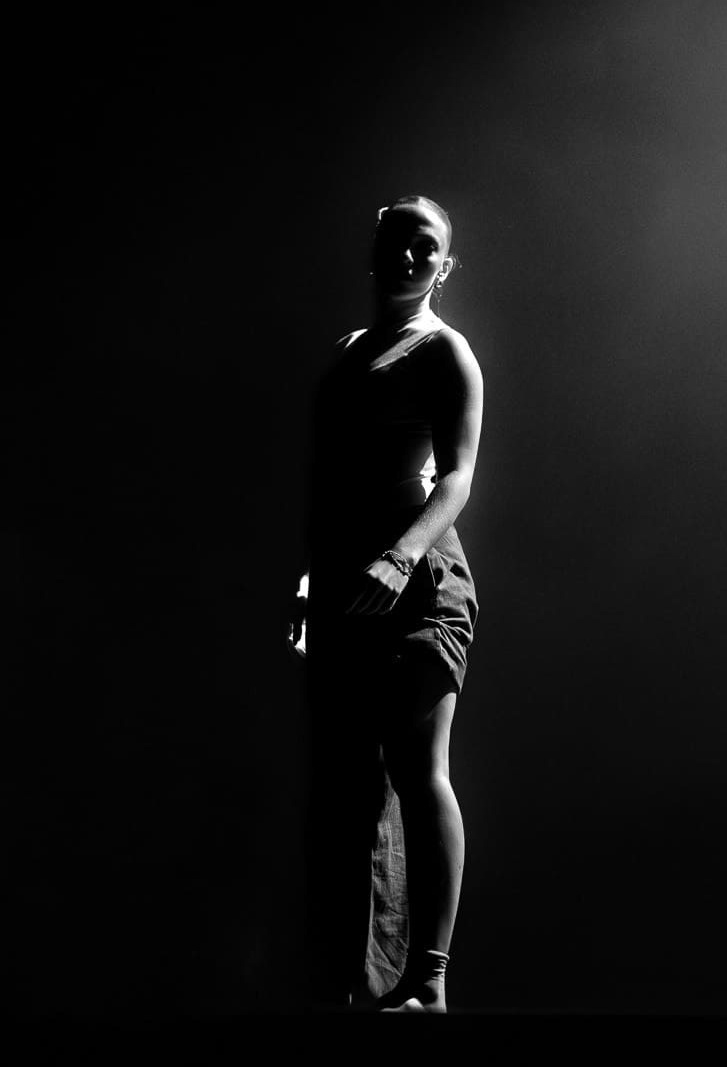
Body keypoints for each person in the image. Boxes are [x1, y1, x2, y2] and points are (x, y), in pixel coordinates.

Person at [291, 195, 483, 1013]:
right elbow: (329, 481)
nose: (407, 253)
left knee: (416, 767)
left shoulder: (444, 350)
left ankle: (428, 980)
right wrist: (309, 579)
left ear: (444, 266)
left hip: (418, 580)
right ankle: (361, 979)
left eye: (425, 245)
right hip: (346, 582)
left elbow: (458, 476)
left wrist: (401, 556)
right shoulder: (347, 350)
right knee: (351, 784)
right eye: (395, 238)